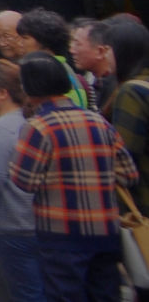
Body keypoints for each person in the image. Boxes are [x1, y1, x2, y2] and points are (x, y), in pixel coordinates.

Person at [8, 52, 138, 300]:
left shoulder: (38, 127)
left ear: (30, 87)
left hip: (61, 234)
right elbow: (129, 175)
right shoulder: (99, 121)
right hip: (105, 230)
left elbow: (24, 181)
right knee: (106, 295)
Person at [0, 59, 41, 302]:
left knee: (16, 292)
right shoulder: (29, 121)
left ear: (3, 93)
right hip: (33, 222)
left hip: (9, 224)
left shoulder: (0, 129)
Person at [93, 14, 149, 191]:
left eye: (107, 49)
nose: (103, 56)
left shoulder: (132, 91)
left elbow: (125, 156)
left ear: (123, 52)